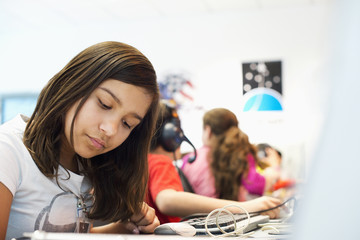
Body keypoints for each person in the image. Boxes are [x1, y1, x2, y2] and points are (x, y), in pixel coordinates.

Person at [0, 41, 160, 240]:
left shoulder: (85, 163)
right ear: (72, 86)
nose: (110, 130)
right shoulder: (8, 149)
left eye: (127, 123)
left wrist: (120, 229)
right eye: (104, 104)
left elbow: (69, 233)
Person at [146, 101, 282, 224]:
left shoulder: (145, 164)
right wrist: (243, 208)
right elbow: (167, 201)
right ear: (172, 135)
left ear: (208, 131)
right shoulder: (160, 162)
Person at [182, 108, 281, 201]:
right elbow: (256, 185)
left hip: (198, 217)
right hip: (235, 214)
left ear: (208, 131)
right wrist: (274, 166)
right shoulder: (240, 154)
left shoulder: (189, 159)